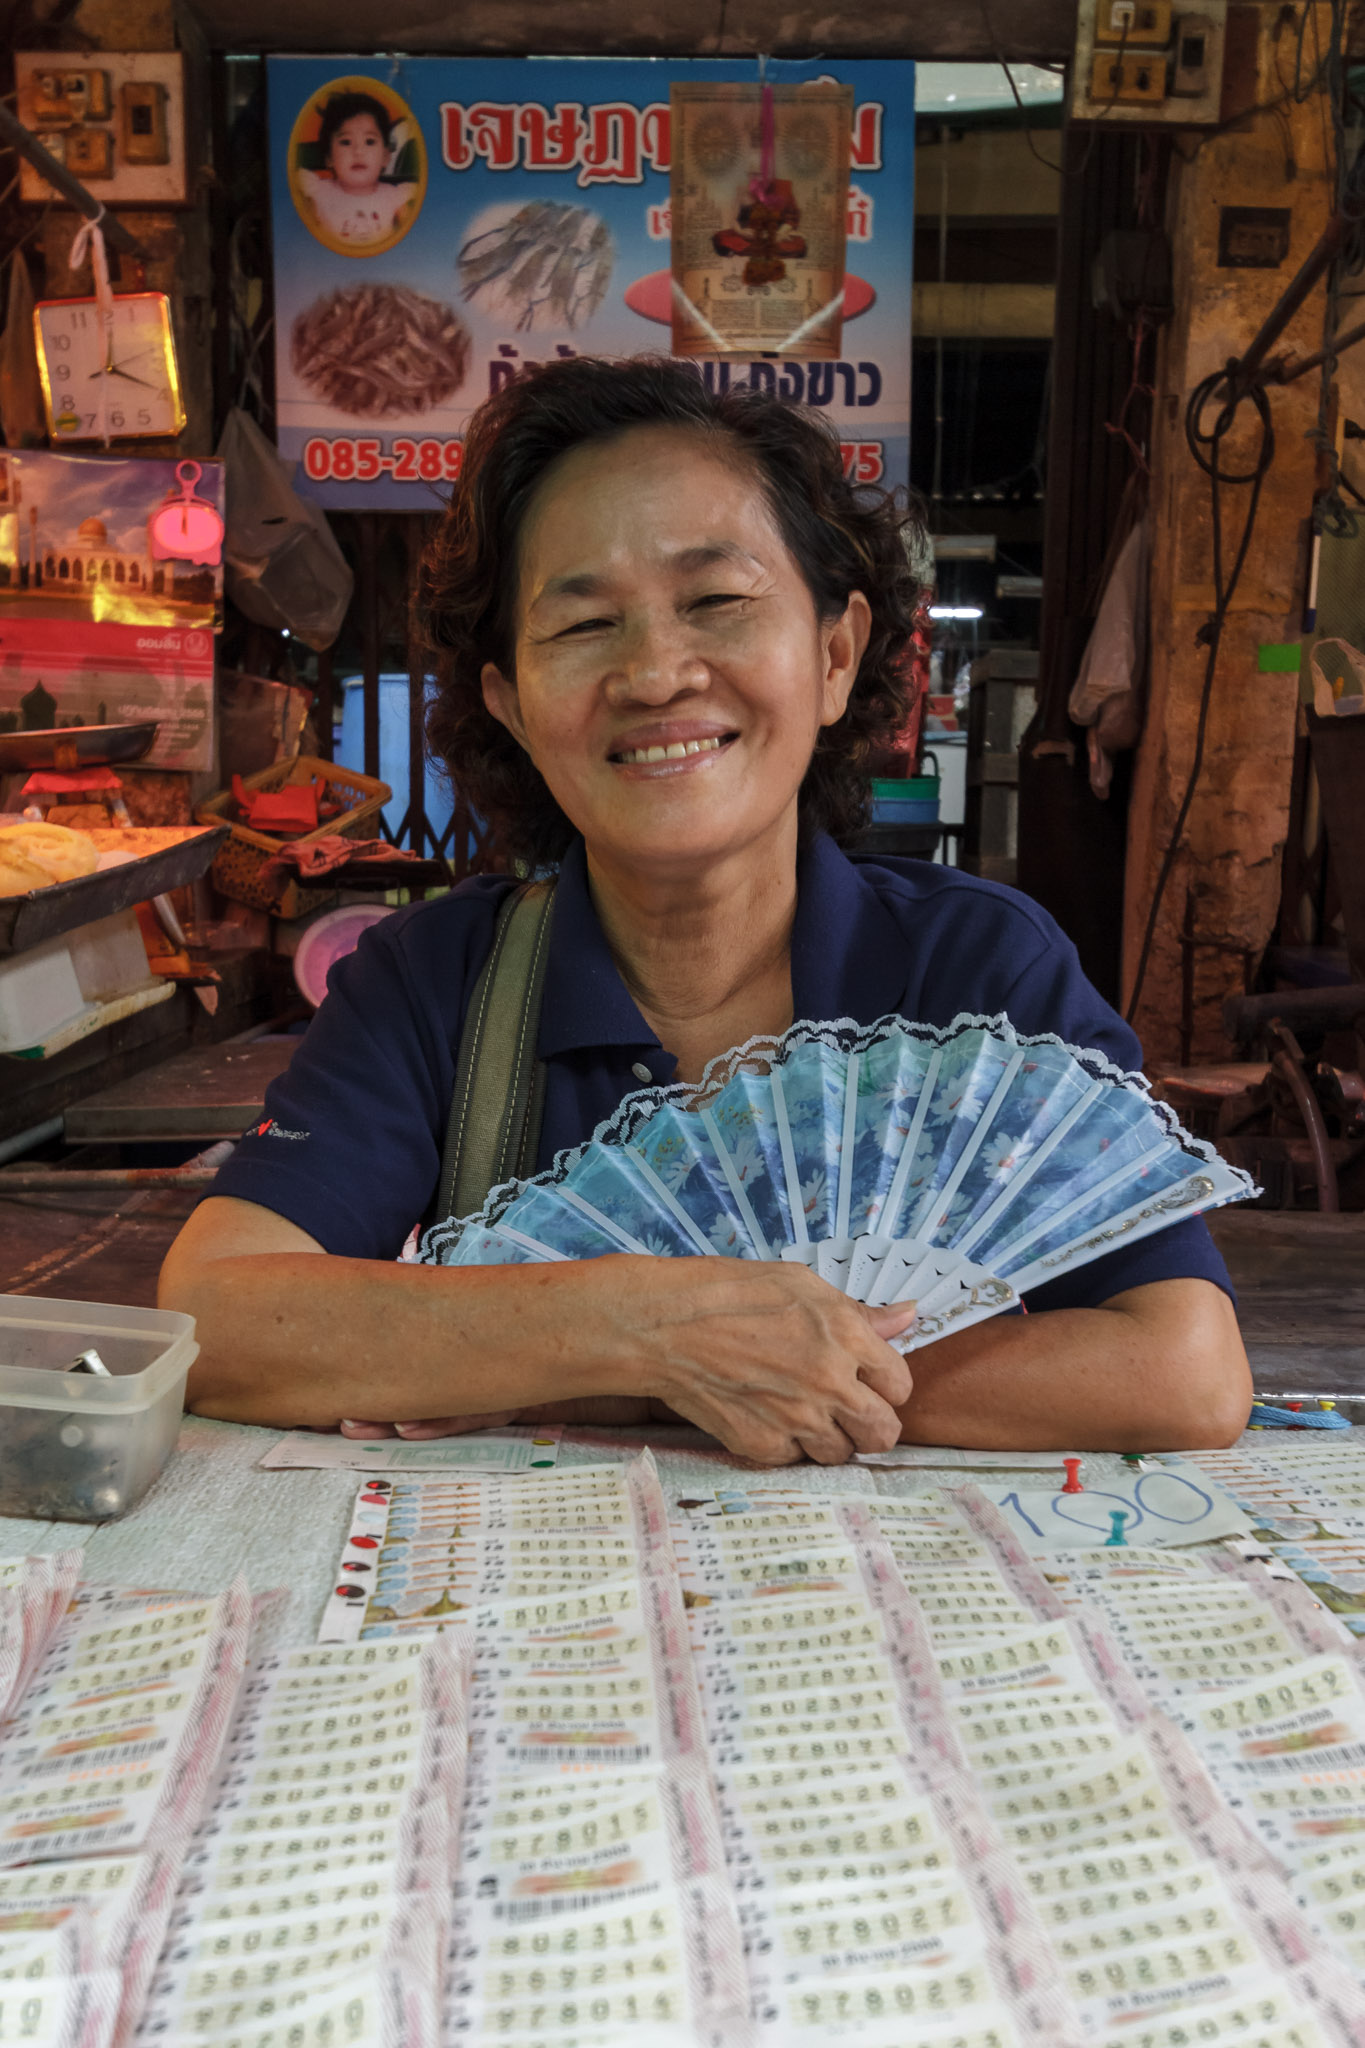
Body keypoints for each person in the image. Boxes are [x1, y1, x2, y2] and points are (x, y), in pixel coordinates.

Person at [160, 356, 1252, 1464]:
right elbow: (216, 1318)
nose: (655, 674)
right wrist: (639, 1332)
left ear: (835, 655)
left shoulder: (975, 970)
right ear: (513, 706)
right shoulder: (433, 980)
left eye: (717, 602)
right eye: (584, 623)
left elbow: (1181, 1367)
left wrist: (666, 1381)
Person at [298, 91, 416, 248]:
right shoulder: (317, 192)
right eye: (346, 142)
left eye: (369, 141)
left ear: (385, 156)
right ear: (329, 158)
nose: (358, 152)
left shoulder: (395, 198)